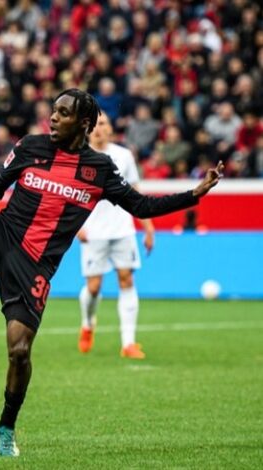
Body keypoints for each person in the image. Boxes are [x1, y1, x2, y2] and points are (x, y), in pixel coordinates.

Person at [0, 88, 223, 457]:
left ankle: (6, 427)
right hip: (1, 234)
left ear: (84, 123)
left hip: (34, 266)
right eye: (53, 110)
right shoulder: (31, 146)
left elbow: (140, 207)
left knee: (19, 351)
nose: (53, 117)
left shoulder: (100, 170)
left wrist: (194, 194)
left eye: (62, 113)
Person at [76, 112, 155, 359]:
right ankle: (88, 324)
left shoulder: (124, 156)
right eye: (95, 125)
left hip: (122, 229)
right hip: (93, 231)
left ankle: (128, 343)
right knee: (94, 285)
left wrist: (148, 227)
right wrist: (76, 227)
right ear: (87, 130)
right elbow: (68, 196)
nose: (100, 129)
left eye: (104, 124)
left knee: (126, 280)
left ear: (111, 128)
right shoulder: (78, 157)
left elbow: (135, 193)